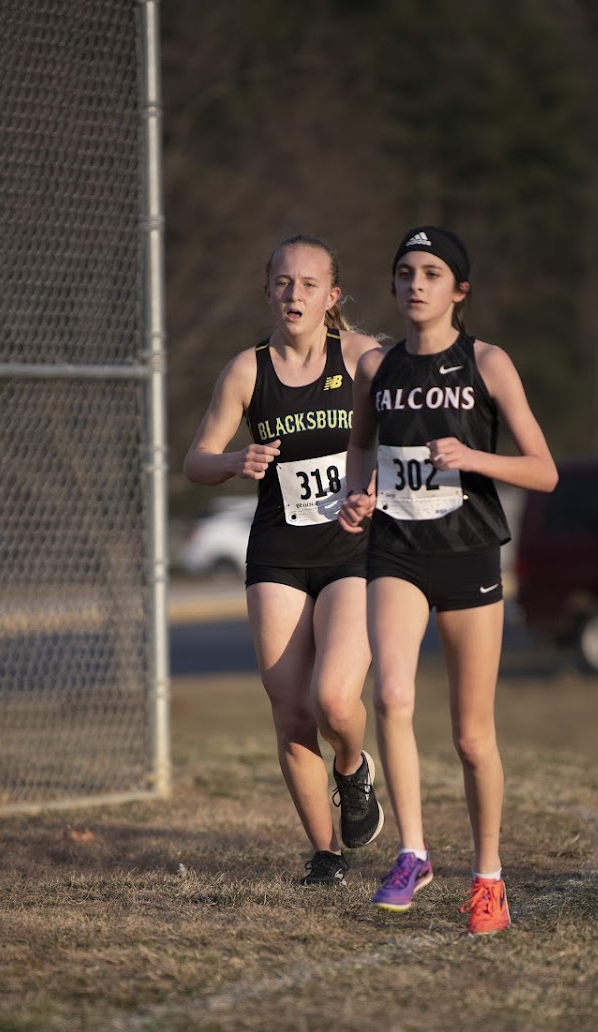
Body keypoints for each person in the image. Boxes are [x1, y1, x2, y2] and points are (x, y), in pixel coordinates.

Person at [339, 226, 558, 932]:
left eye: (431, 273)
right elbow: (361, 448)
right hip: (396, 550)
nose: (416, 285)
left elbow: (544, 471)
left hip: (468, 552)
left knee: (471, 736)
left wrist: (473, 458)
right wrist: (357, 495)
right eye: (405, 272)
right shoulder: (377, 367)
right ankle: (412, 854)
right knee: (391, 696)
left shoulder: (487, 363)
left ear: (459, 290)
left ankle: (489, 877)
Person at [183, 234, 385, 884]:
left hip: (353, 551)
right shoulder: (247, 371)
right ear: (267, 291)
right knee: (291, 709)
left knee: (334, 700)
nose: (294, 293)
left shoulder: (362, 358)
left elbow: (405, 443)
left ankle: (352, 768)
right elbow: (195, 461)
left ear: (332, 296)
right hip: (278, 552)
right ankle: (326, 855)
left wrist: (374, 493)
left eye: (308, 284)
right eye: (283, 282)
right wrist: (232, 461)